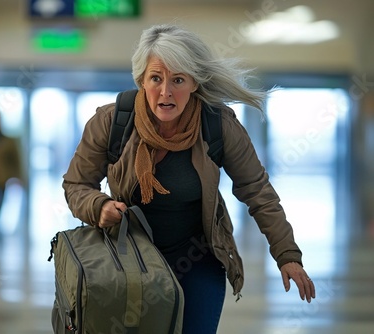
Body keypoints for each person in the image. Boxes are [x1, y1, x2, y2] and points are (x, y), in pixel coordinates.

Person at [62, 24, 315, 333]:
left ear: (194, 82)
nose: (166, 91)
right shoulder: (111, 122)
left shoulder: (218, 126)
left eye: (178, 80)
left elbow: (257, 191)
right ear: (142, 79)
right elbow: (76, 185)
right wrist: (98, 206)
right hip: (130, 260)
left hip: (197, 259)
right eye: (156, 78)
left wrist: (287, 255)